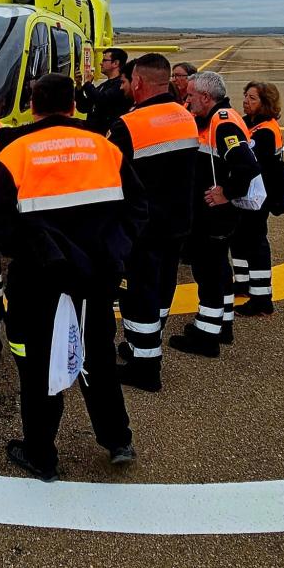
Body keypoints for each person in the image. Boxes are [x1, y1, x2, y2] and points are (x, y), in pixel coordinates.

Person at [0, 73, 148, 481]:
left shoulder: (15, 153)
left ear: (34, 106)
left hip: (38, 283)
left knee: (35, 367)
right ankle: (117, 439)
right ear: (74, 105)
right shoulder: (105, 148)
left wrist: (45, 254)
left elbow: (1, 228)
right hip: (97, 279)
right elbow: (136, 209)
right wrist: (112, 253)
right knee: (99, 358)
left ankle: (41, 454)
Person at [107, 55, 199, 391]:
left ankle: (145, 367)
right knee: (162, 286)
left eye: (130, 81)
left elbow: (108, 178)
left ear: (140, 83)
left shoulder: (128, 125)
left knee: (138, 294)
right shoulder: (185, 118)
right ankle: (144, 344)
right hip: (178, 221)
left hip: (142, 226)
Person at [169, 72, 261, 358]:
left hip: (213, 215)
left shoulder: (222, 124)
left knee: (208, 271)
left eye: (192, 96)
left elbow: (246, 165)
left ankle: (206, 335)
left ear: (206, 97)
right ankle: (223, 324)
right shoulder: (216, 119)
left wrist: (227, 192)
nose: (188, 100)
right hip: (214, 214)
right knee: (219, 268)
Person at [232, 81, 283, 316]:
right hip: (250, 195)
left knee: (256, 243)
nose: (246, 101)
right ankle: (242, 283)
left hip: (258, 196)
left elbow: (252, 162)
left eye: (252, 98)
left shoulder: (265, 131)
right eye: (246, 96)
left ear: (265, 103)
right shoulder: (251, 123)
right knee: (240, 239)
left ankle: (262, 297)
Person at [75, 47, 131, 134]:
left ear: (115, 63)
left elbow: (101, 100)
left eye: (104, 60)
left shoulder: (120, 85)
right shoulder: (103, 86)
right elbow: (83, 107)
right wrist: (79, 87)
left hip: (107, 136)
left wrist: (88, 84)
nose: (101, 63)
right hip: (93, 133)